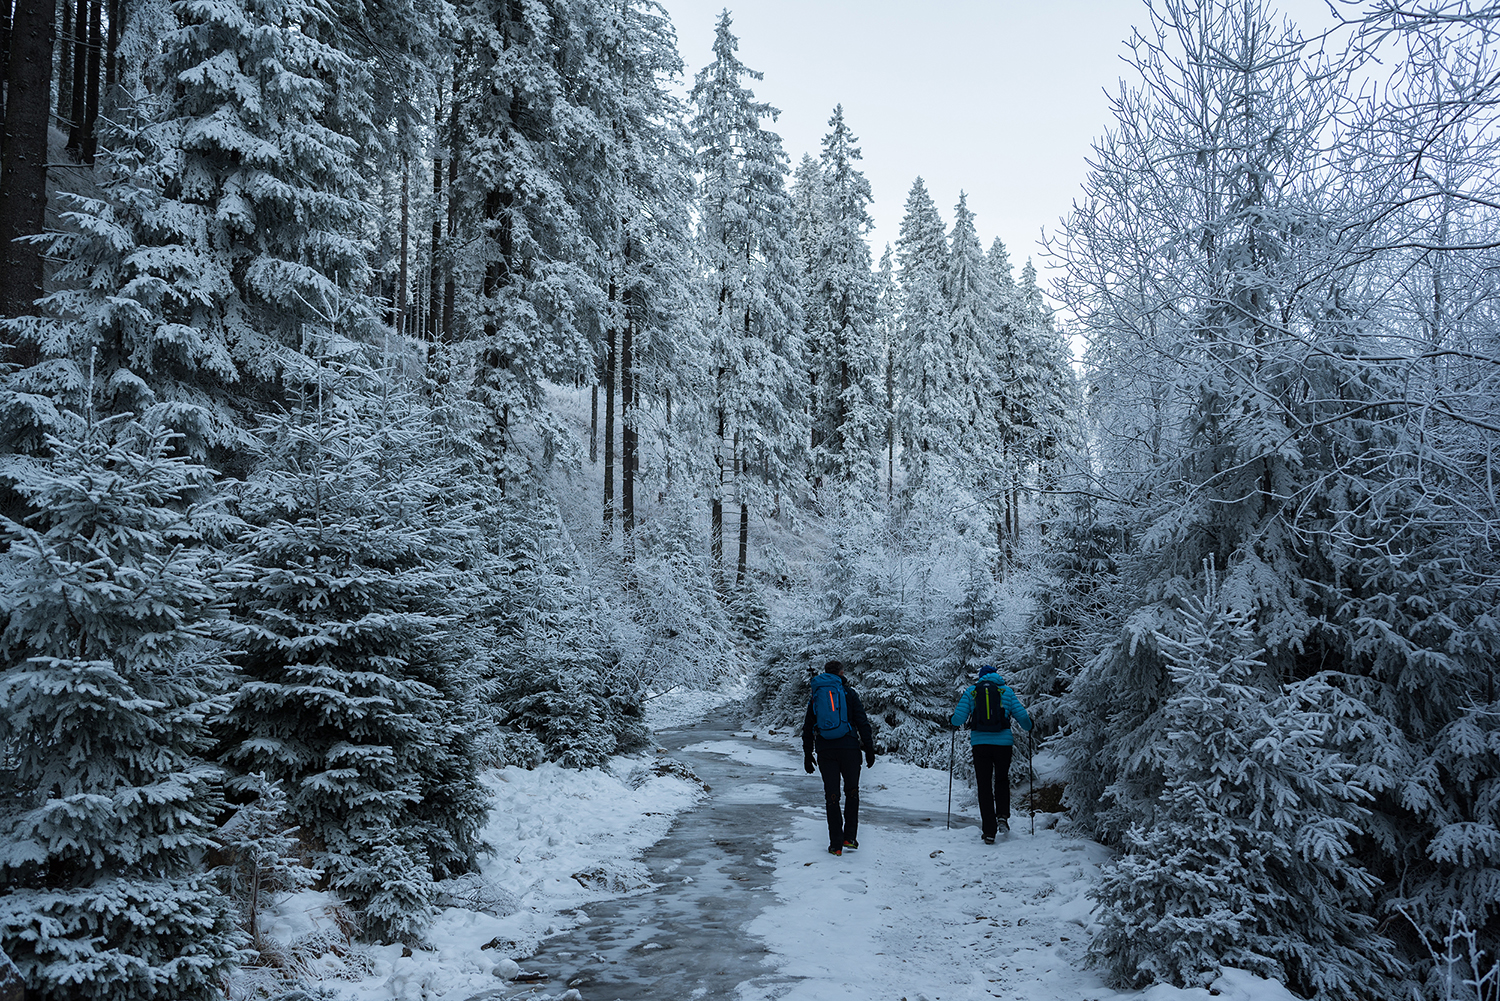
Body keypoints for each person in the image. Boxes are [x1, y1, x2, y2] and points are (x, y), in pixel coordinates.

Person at [950, 665, 1033, 844]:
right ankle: (1002, 816)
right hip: (1004, 744)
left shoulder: (972, 692)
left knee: (984, 785)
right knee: (1002, 779)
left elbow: (958, 719)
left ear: (980, 678)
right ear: (996, 676)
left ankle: (989, 831)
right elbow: (1023, 718)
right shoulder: (1007, 692)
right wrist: (1029, 726)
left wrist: (952, 720)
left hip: (980, 744)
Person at [802, 660, 875, 856]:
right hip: (850, 749)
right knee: (852, 792)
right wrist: (869, 748)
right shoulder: (849, 693)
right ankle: (849, 838)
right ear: (841, 673)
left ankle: (835, 845)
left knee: (832, 796)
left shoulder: (816, 695)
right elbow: (862, 721)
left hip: (826, 751)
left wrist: (808, 754)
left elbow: (807, 727)